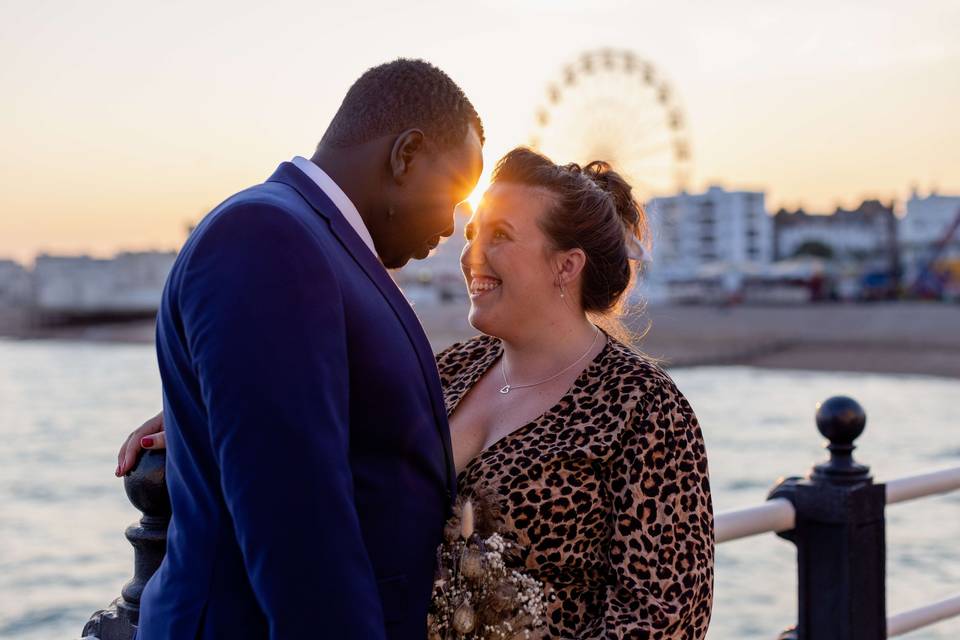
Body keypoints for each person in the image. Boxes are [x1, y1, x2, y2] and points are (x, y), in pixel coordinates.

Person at [119, 147, 715, 637]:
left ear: (567, 266)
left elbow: (665, 618)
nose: (471, 253)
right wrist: (214, 403)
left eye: (501, 236)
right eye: (474, 230)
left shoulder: (645, 408)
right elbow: (307, 414)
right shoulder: (445, 370)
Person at [123, 58, 484, 640]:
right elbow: (297, 528)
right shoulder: (268, 238)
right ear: (406, 154)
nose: (451, 224)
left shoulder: (309, 240)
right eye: (454, 194)